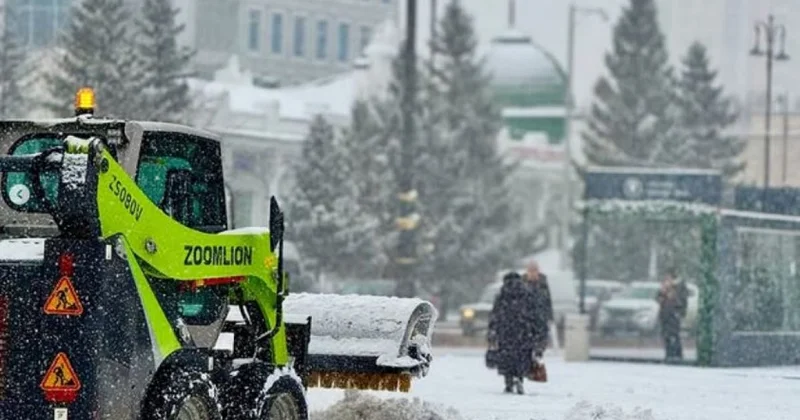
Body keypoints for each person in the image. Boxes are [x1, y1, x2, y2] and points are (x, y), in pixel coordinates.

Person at [487, 272, 537, 394]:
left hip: (505, 331)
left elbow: (495, 314)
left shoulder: (502, 295)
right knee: (521, 357)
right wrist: (534, 331)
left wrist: (492, 330)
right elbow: (534, 315)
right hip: (523, 331)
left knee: (506, 357)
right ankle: (520, 378)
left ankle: (508, 382)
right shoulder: (527, 294)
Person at [522, 261, 554, 358]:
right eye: (530, 271)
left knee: (541, 340)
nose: (532, 273)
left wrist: (549, 315)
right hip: (526, 318)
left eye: (534, 270)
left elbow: (548, 300)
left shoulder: (543, 284)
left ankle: (538, 354)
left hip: (540, 318)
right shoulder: (522, 284)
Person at [656, 268, 685, 363]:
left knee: (673, 335)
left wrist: (679, 311)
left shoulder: (679, 287)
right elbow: (658, 297)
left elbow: (681, 301)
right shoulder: (664, 286)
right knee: (666, 335)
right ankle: (669, 353)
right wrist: (662, 293)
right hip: (665, 314)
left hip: (673, 314)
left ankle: (676, 355)